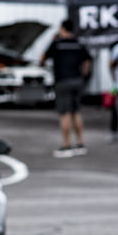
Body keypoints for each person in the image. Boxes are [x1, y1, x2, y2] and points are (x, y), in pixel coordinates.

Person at [41, 20, 92, 158]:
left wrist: (52, 40)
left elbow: (42, 59)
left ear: (62, 28)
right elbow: (87, 61)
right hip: (77, 80)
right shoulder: (78, 44)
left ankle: (66, 145)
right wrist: (83, 76)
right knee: (76, 112)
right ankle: (80, 144)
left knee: (65, 113)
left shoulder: (57, 44)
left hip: (62, 81)